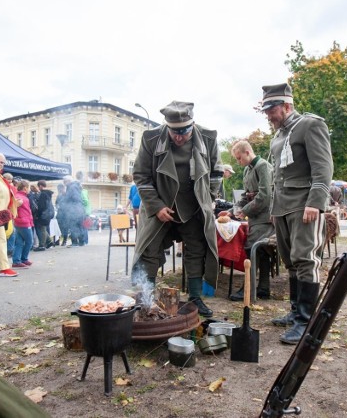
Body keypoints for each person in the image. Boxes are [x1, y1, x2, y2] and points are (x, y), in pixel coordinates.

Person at [131, 101, 223, 317]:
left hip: (193, 206)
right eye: (174, 132)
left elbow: (217, 173)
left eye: (184, 131)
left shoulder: (208, 138)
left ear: (193, 125)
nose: (179, 137)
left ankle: (195, 297)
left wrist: (207, 198)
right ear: (167, 127)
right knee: (149, 251)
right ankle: (146, 299)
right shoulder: (151, 138)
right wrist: (156, 206)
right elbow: (141, 176)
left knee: (196, 249)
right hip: (160, 205)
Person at [262, 83, 333, 344]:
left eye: (272, 110)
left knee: (306, 259)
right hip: (283, 208)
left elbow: (323, 167)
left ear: (287, 105)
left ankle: (305, 321)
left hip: (305, 205)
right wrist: (274, 210)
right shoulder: (278, 135)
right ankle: (295, 314)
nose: (268, 115)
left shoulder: (310, 125)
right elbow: (277, 177)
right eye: (266, 111)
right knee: (290, 262)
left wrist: (316, 202)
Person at [219, 140, 274, 301]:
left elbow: (265, 196)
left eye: (239, 158)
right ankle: (263, 288)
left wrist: (244, 211)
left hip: (265, 217)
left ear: (247, 152)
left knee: (252, 249)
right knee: (263, 253)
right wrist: (231, 212)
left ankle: (248, 290)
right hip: (256, 218)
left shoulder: (262, 166)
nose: (238, 162)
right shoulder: (247, 170)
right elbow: (245, 196)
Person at [11, 180, 34, 268]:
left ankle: (17, 260)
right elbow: (16, 205)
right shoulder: (21, 198)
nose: (29, 190)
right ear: (25, 188)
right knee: (29, 241)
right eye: (28, 188)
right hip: (24, 222)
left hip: (19, 222)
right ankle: (23, 259)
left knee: (19, 242)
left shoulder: (19, 196)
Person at [61, 175, 85, 247]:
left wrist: (65, 197)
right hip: (79, 208)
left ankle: (75, 243)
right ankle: (81, 242)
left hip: (74, 210)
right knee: (79, 226)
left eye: (64, 182)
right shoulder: (76, 186)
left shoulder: (71, 187)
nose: (64, 183)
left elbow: (72, 198)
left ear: (68, 181)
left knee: (73, 226)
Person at [35, 180, 55, 250]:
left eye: (38, 186)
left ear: (40, 186)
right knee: (43, 228)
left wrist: (37, 214)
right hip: (48, 213)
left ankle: (42, 245)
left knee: (42, 229)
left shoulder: (43, 194)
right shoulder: (48, 193)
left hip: (44, 214)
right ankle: (49, 241)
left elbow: (41, 206)